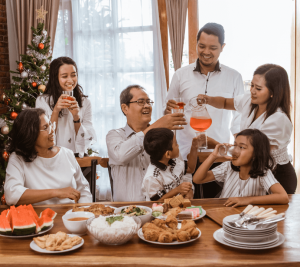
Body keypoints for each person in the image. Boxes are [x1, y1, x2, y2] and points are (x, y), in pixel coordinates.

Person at [164, 22, 244, 198]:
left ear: (222, 48)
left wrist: (238, 150)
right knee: (185, 208)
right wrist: (167, 110)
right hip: (183, 157)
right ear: (196, 44)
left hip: (218, 156)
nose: (206, 52)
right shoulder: (180, 75)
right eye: (201, 46)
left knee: (216, 206)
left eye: (213, 47)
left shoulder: (234, 77)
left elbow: (239, 118)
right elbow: (167, 112)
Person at [198, 64, 297, 194]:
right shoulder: (249, 100)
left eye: (258, 88)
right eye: (252, 85)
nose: (252, 91)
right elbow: (225, 103)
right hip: (255, 171)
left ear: (273, 92)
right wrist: (208, 100)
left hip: (276, 175)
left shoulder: (278, 119)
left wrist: (216, 145)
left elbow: (254, 152)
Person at [106, 85, 187, 202]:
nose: (147, 106)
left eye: (149, 102)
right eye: (141, 102)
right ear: (125, 108)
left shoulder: (162, 136)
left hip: (161, 209)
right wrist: (157, 125)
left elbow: (178, 169)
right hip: (126, 212)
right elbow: (120, 156)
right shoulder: (114, 135)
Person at [4, 108, 92, 206]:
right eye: (45, 127)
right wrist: (56, 192)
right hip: (37, 219)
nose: (52, 130)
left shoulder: (67, 154)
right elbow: (11, 195)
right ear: (30, 133)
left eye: (50, 124)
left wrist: (83, 212)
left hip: (69, 216)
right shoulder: (17, 159)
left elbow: (84, 190)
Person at [193, 129, 289, 207]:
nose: (235, 150)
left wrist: (246, 200)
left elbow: (283, 197)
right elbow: (197, 179)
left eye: (242, 147)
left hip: (246, 220)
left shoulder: (263, 173)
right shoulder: (228, 167)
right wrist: (213, 156)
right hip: (223, 212)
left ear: (256, 154)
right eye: (235, 145)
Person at [36, 57, 96, 157]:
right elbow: (43, 137)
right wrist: (55, 111)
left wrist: (76, 117)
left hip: (78, 159)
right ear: (55, 78)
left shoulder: (85, 102)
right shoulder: (42, 101)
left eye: (73, 75)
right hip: (53, 158)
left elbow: (88, 140)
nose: (70, 80)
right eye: (64, 76)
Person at [142, 128, 197, 201]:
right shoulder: (152, 177)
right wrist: (177, 190)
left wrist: (194, 147)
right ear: (168, 154)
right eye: (175, 144)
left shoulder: (175, 161)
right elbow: (157, 201)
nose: (178, 145)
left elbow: (190, 168)